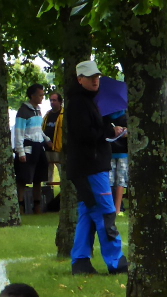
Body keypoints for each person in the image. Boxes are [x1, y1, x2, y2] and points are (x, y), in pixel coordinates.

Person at [64, 61, 126, 275]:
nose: (95, 80)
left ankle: (80, 262)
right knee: (106, 212)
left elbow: (89, 132)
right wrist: (109, 131)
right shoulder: (79, 104)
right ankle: (116, 262)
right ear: (79, 79)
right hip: (90, 167)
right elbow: (85, 135)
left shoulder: (86, 102)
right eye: (90, 77)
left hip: (88, 167)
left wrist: (108, 128)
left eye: (97, 76)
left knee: (88, 214)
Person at [13, 83, 49, 214]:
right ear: (32, 96)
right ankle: (21, 206)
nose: (42, 97)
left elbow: (38, 129)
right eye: (40, 95)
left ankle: (37, 206)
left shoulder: (38, 110)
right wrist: (20, 151)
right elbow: (19, 132)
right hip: (28, 148)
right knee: (23, 179)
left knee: (38, 179)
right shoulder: (23, 111)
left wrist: (47, 140)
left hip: (39, 147)